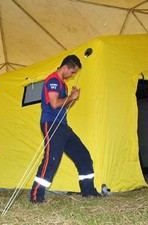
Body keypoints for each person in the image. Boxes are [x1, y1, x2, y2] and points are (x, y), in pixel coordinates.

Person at [30, 55, 100, 203]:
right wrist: (70, 97)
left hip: (63, 125)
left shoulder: (64, 85)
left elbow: (65, 107)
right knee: (51, 160)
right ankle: (36, 196)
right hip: (51, 123)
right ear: (66, 67)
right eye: (73, 72)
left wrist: (73, 98)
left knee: (84, 156)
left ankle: (89, 192)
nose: (73, 75)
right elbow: (54, 104)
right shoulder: (53, 80)